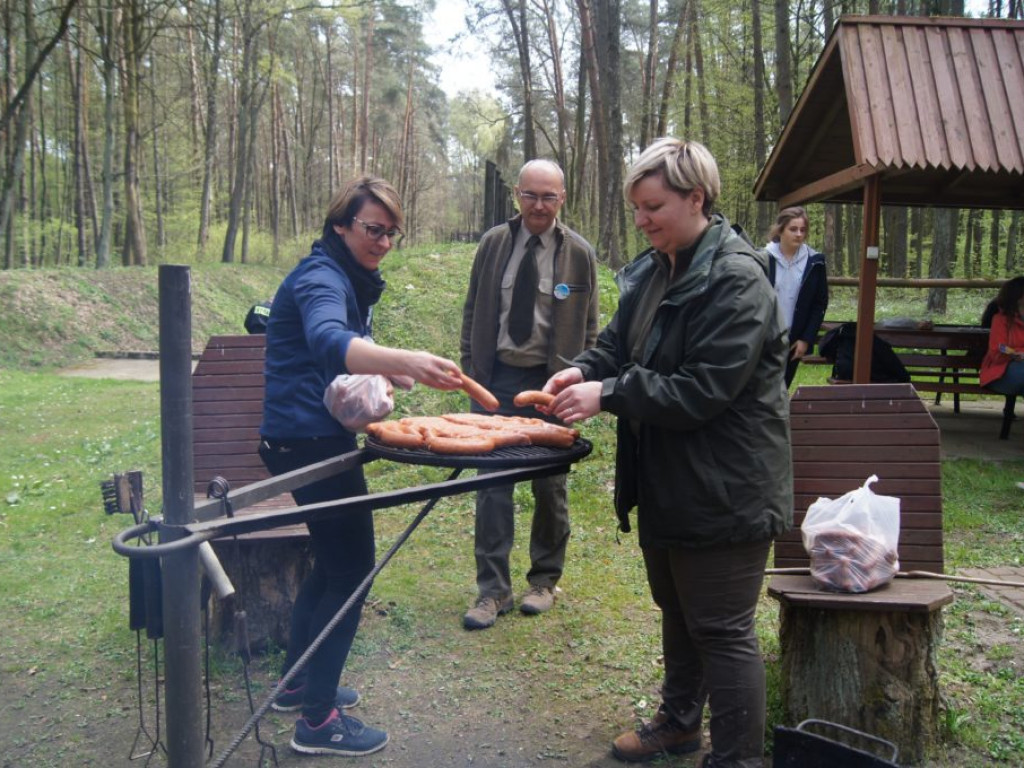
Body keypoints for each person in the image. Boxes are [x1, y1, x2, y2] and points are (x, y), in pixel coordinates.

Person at [540, 138, 792, 767]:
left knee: (724, 631)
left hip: (727, 487)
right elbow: (616, 344)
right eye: (637, 209)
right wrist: (582, 372)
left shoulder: (736, 278)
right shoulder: (658, 266)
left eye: (653, 206)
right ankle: (680, 724)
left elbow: (704, 389)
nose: (643, 219)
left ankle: (736, 760)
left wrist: (610, 392)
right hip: (669, 480)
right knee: (678, 611)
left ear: (696, 198)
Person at [259, 176, 464, 757]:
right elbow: (327, 337)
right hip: (310, 445)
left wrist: (389, 370)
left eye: (392, 233)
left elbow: (334, 347)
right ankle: (318, 723)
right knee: (352, 573)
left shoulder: (343, 274)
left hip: (300, 439)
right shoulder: (322, 276)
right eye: (373, 229)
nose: (383, 242)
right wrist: (408, 360)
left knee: (331, 564)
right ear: (341, 225)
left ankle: (298, 683)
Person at [459, 158, 600, 630]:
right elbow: (473, 309)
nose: (539, 206)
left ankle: (544, 581)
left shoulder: (578, 253)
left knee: (549, 487)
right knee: (491, 488)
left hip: (549, 384)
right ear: (517, 195)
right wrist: (470, 371)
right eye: (531, 195)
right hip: (494, 381)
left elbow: (592, 327)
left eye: (549, 197)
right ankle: (491, 590)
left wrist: (579, 380)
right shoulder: (494, 244)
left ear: (563, 199)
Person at [765, 206, 828, 388]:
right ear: (780, 230)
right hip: (765, 337)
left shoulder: (815, 261)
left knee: (783, 388)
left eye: (802, 230)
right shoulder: (763, 257)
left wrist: (806, 338)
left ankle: (780, 418)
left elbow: (819, 303)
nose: (799, 234)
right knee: (760, 391)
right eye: (793, 229)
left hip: (794, 339)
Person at [980, 276, 1024, 396]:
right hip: (1000, 372)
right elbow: (999, 348)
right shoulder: (1000, 320)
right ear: (1018, 296)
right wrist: (1016, 353)